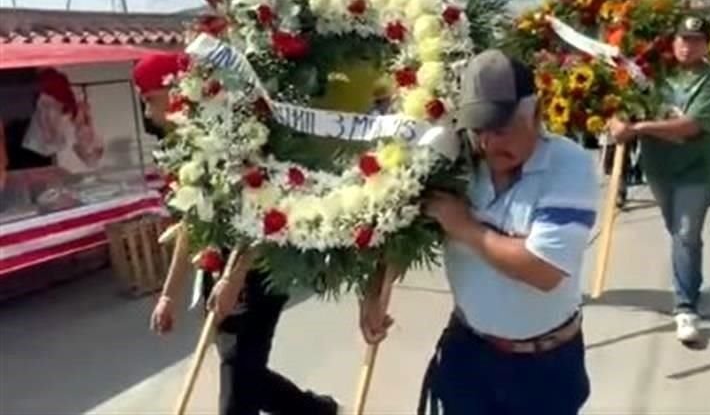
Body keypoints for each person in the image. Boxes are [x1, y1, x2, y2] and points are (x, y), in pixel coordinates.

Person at [359, 50, 598, 415]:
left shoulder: (569, 166)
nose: (487, 143)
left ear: (535, 112)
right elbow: (402, 228)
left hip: (543, 370)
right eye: (478, 129)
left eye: (501, 128)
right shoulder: (454, 161)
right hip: (469, 353)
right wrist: (375, 293)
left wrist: (464, 227)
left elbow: (544, 270)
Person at [135, 53, 339, 415]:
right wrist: (169, 295)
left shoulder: (229, 135)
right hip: (219, 272)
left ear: (174, 90)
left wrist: (234, 277)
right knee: (246, 373)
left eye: (150, 98)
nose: (147, 111)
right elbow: (193, 226)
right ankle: (313, 410)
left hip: (259, 267)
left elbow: (262, 214)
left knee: (238, 389)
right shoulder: (180, 153)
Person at [609, 16, 710, 344]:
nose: (687, 46)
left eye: (695, 40)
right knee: (678, 232)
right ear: (672, 42)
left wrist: (640, 129)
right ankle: (691, 278)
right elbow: (627, 105)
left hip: (695, 170)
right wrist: (618, 118)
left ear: (706, 45)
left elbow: (691, 125)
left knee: (686, 234)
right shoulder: (655, 74)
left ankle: (685, 307)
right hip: (658, 168)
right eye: (681, 39)